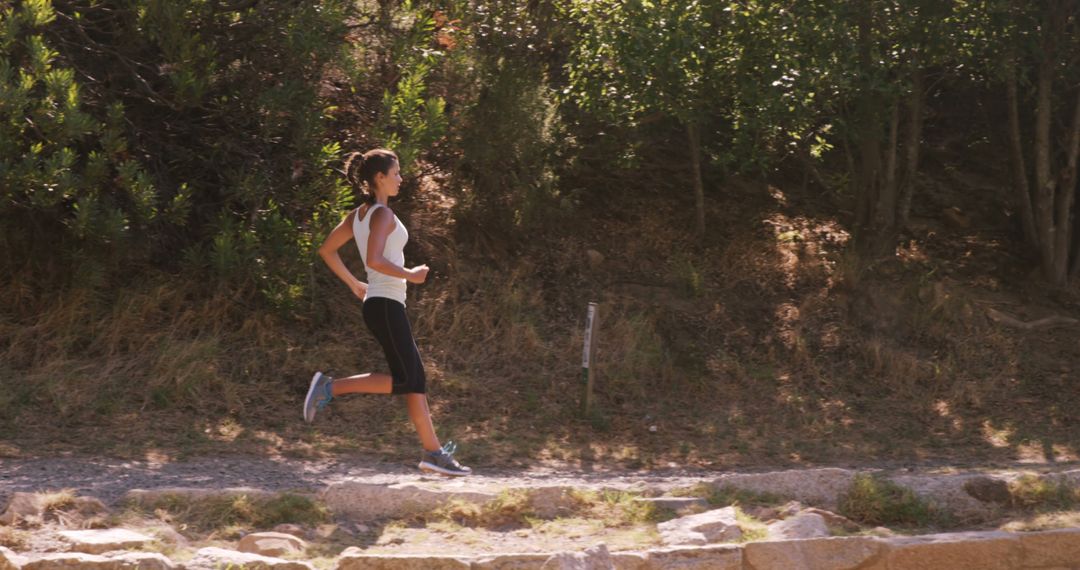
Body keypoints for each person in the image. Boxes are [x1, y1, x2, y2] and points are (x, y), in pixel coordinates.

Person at [303, 148, 471, 477]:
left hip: (380, 304)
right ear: (379, 178)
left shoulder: (359, 216)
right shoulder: (381, 215)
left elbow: (327, 250)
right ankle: (330, 388)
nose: (400, 178)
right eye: (396, 173)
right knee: (413, 379)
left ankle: (432, 453)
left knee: (411, 380)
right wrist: (412, 274)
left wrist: (354, 283)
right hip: (385, 304)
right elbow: (375, 259)